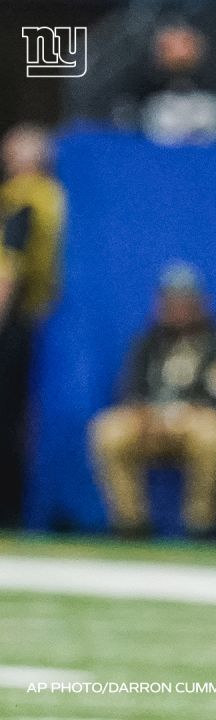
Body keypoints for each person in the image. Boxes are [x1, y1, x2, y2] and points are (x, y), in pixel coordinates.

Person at [90, 262, 216, 538]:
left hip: (195, 423)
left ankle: (201, 524)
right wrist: (144, 412)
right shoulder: (147, 341)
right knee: (108, 430)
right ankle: (130, 522)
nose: (178, 308)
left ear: (201, 302)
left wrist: (191, 412)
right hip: (150, 423)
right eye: (171, 300)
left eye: (185, 300)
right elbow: (130, 390)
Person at [0, 124, 65, 529]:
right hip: (36, 318)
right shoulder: (55, 196)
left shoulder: (24, 197)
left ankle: (8, 508)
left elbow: (10, 266)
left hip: (18, 321)